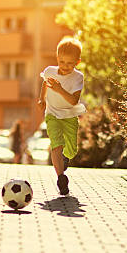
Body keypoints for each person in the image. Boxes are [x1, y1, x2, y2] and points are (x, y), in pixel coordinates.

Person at [37, 36, 86, 195]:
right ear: (57, 58)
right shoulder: (50, 71)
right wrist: (42, 98)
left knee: (71, 151)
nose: (65, 67)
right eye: (62, 62)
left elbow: (73, 100)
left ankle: (66, 159)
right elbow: (45, 82)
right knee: (56, 144)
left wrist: (59, 90)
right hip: (52, 114)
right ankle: (61, 178)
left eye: (70, 63)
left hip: (70, 116)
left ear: (77, 62)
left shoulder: (78, 77)